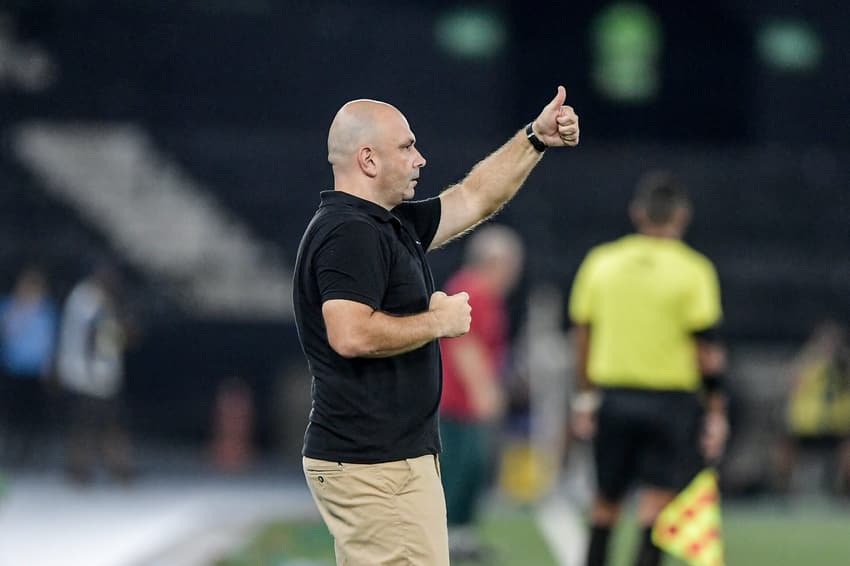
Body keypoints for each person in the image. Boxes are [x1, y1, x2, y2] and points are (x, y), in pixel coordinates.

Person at [293, 86, 579, 566]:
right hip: (374, 461)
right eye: (406, 147)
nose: (420, 159)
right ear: (367, 159)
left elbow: (473, 197)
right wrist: (437, 322)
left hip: (383, 458)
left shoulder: (385, 224)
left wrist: (534, 139)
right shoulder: (350, 232)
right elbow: (350, 334)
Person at [568, 171, 728, 566]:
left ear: (637, 212)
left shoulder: (601, 263)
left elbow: (582, 337)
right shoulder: (695, 270)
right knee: (657, 508)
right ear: (681, 216)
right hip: (670, 404)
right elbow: (707, 351)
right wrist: (716, 411)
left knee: (605, 504)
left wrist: (585, 398)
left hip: (614, 399)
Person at [439, 224, 524, 562]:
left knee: (472, 469)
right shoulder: (472, 290)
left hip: (465, 398)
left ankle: (461, 532)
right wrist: (484, 390)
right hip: (456, 400)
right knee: (460, 466)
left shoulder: (486, 295)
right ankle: (448, 533)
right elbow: (465, 343)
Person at [56, 262, 133, 484]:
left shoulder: (88, 297)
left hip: (94, 374)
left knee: (103, 424)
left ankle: (113, 469)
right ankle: (82, 470)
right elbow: (94, 336)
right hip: (90, 376)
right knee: (92, 425)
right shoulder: (87, 299)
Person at [774, 320, 850, 496]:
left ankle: (843, 492)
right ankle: (784, 491)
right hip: (806, 426)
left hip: (837, 425)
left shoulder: (843, 365)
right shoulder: (810, 363)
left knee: (847, 450)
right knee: (783, 446)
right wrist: (812, 355)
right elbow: (790, 380)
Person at [0, 266, 57, 465]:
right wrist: (21, 312)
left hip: (35, 371)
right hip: (13, 369)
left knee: (33, 417)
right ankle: (9, 453)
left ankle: (30, 455)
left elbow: (49, 341)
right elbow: (7, 333)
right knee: (12, 415)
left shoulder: (46, 310)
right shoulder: (8, 306)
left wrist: (48, 367)